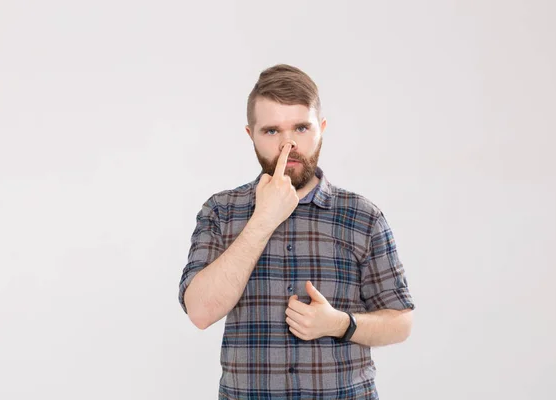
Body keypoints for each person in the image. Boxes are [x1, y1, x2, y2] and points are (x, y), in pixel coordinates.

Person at [178, 64, 416, 399]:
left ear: (321, 128)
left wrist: (339, 324)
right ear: (251, 135)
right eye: (272, 131)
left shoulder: (363, 216)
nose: (288, 145)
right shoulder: (221, 211)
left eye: (301, 128)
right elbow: (200, 312)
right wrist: (263, 219)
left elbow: (401, 322)